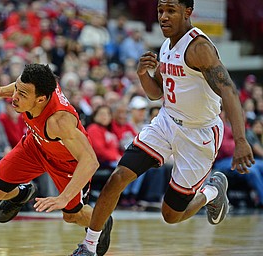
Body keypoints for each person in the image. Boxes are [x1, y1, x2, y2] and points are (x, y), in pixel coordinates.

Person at [70, 1, 254, 255]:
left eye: (171, 11)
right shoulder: (167, 45)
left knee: (171, 215)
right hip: (166, 122)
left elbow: (229, 91)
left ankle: (212, 191)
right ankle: (89, 246)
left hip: (198, 133)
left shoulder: (199, 48)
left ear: (188, 13)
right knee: (118, 177)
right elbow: (157, 93)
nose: (163, 17)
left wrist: (241, 140)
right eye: (160, 11)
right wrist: (144, 75)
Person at [0, 63, 113, 256]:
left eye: (22, 95)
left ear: (41, 99)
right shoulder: (41, 84)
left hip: (66, 163)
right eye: (16, 89)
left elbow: (90, 161)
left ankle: (101, 220)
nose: (15, 97)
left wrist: (64, 197)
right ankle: (21, 193)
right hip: (35, 146)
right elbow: (23, 87)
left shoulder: (59, 121)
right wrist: (0, 91)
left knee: (71, 216)